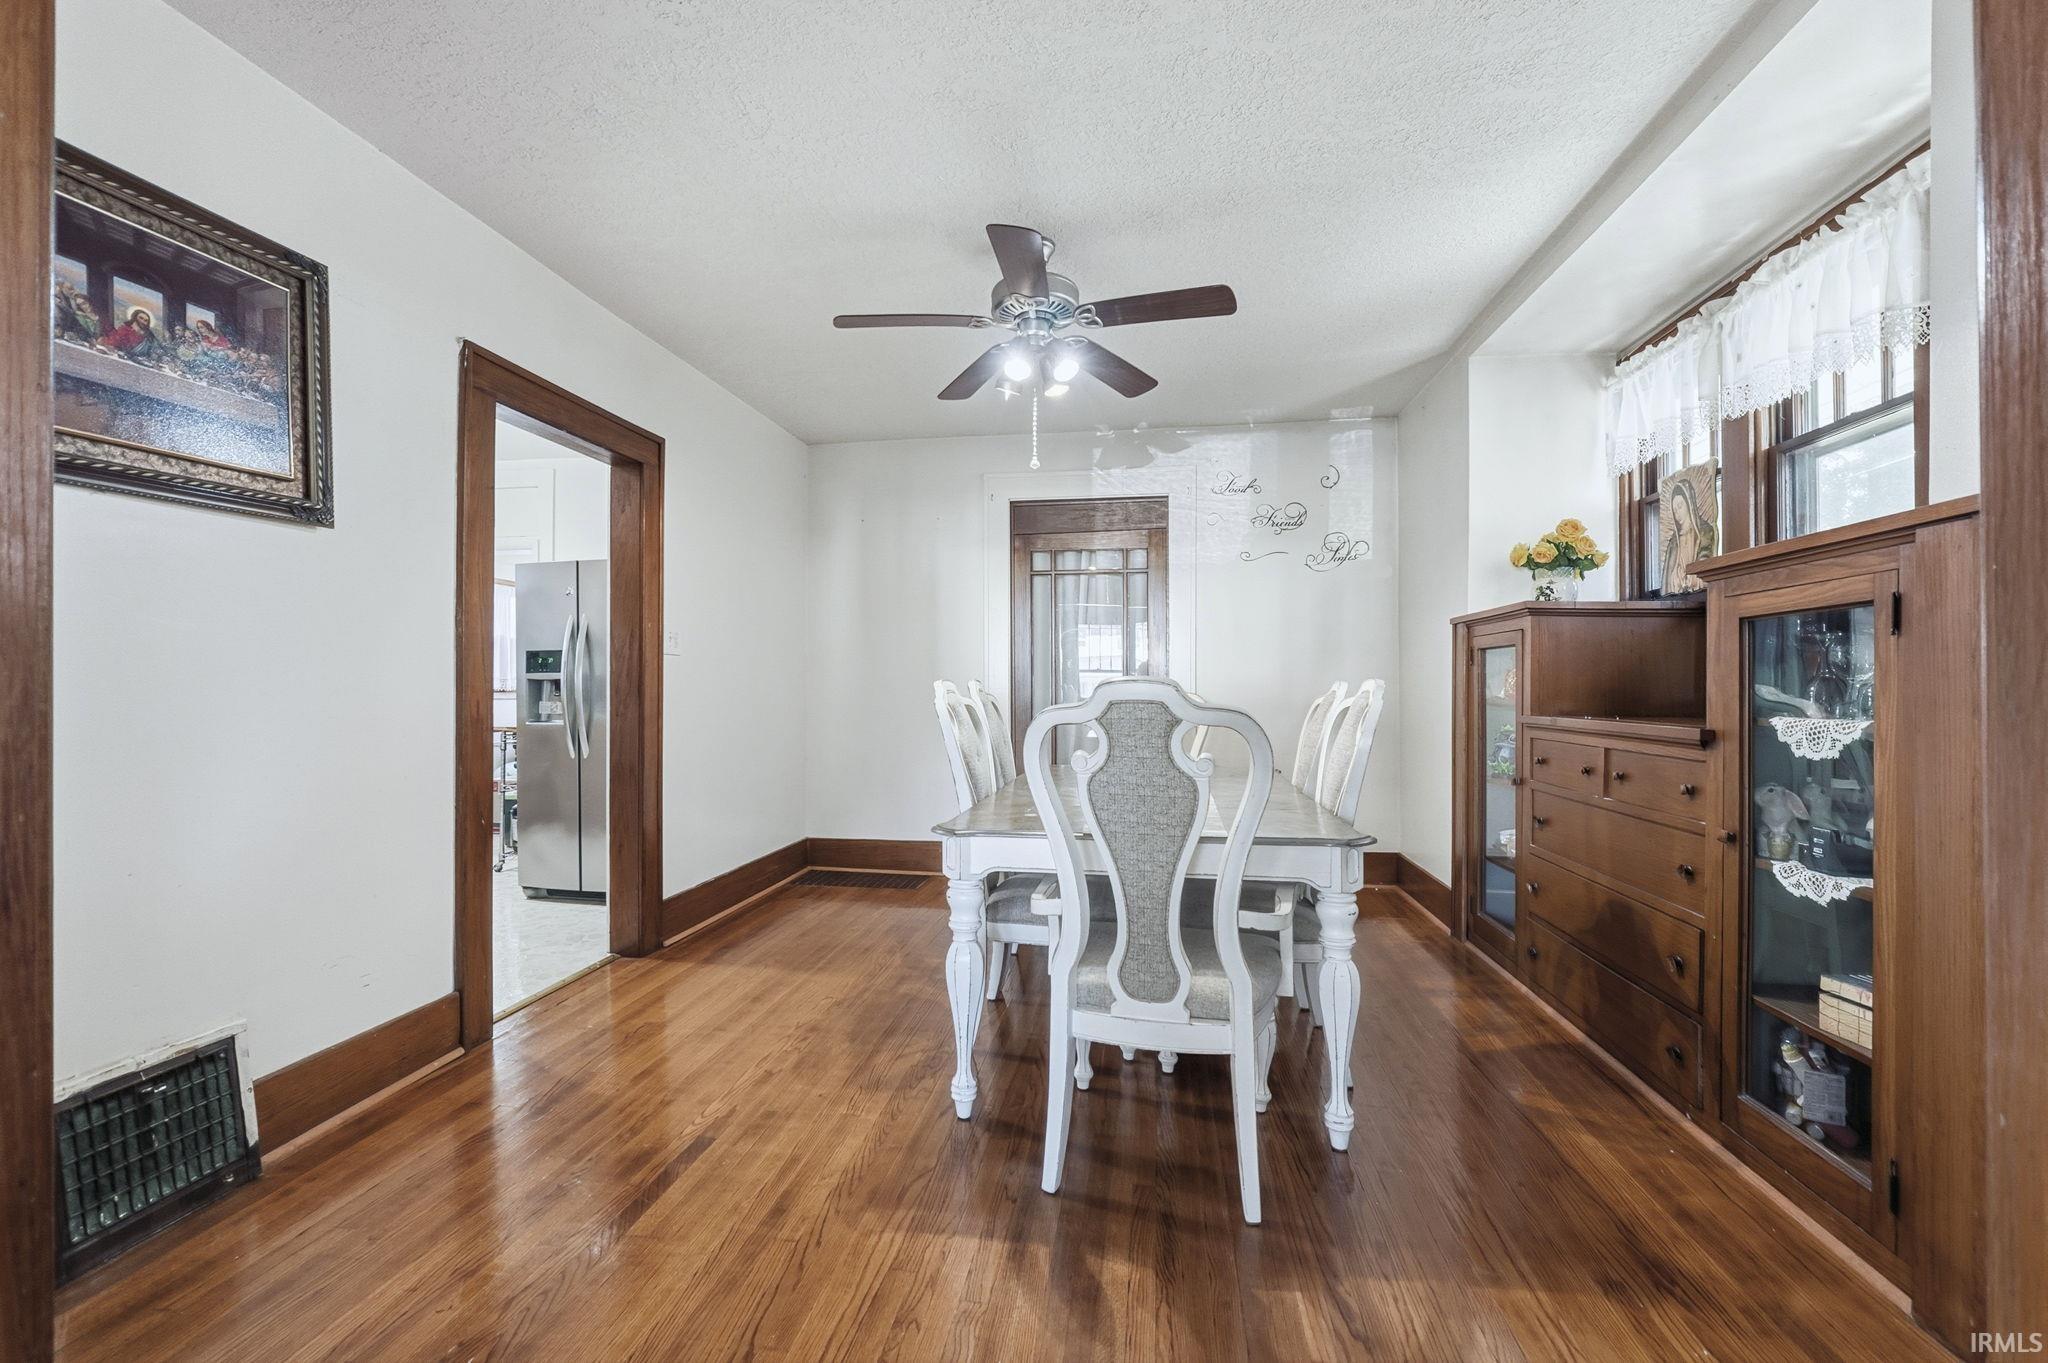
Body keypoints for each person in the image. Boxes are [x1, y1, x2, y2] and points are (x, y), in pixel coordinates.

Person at [101, 306, 166, 364]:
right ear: (135, 317)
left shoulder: (148, 338)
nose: (143, 321)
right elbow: (114, 343)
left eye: (146, 320)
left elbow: (153, 351)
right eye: (141, 318)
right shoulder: (124, 329)